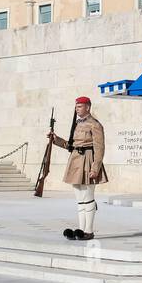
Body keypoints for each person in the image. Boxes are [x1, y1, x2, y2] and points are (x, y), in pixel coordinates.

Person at [47, 96, 107, 240]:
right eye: (76, 106)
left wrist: (95, 168)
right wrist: (55, 139)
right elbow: (71, 145)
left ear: (88, 107)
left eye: (79, 106)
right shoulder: (77, 124)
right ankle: (81, 229)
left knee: (88, 196)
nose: (77, 109)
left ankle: (89, 230)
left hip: (88, 160)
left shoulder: (95, 124)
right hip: (76, 160)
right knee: (79, 198)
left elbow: (100, 148)